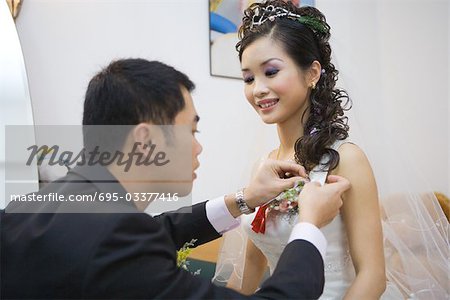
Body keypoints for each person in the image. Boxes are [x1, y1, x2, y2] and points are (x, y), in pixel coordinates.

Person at [0, 58, 351, 299]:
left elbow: (155, 231)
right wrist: (309, 224)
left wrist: (243, 199)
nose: (198, 148)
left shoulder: (36, 208)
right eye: (191, 131)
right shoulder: (115, 241)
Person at [213, 1, 449, 299]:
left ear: (312, 73)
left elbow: (373, 276)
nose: (257, 89)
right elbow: (251, 262)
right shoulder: (265, 165)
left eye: (270, 72)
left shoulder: (346, 159)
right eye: (248, 78)